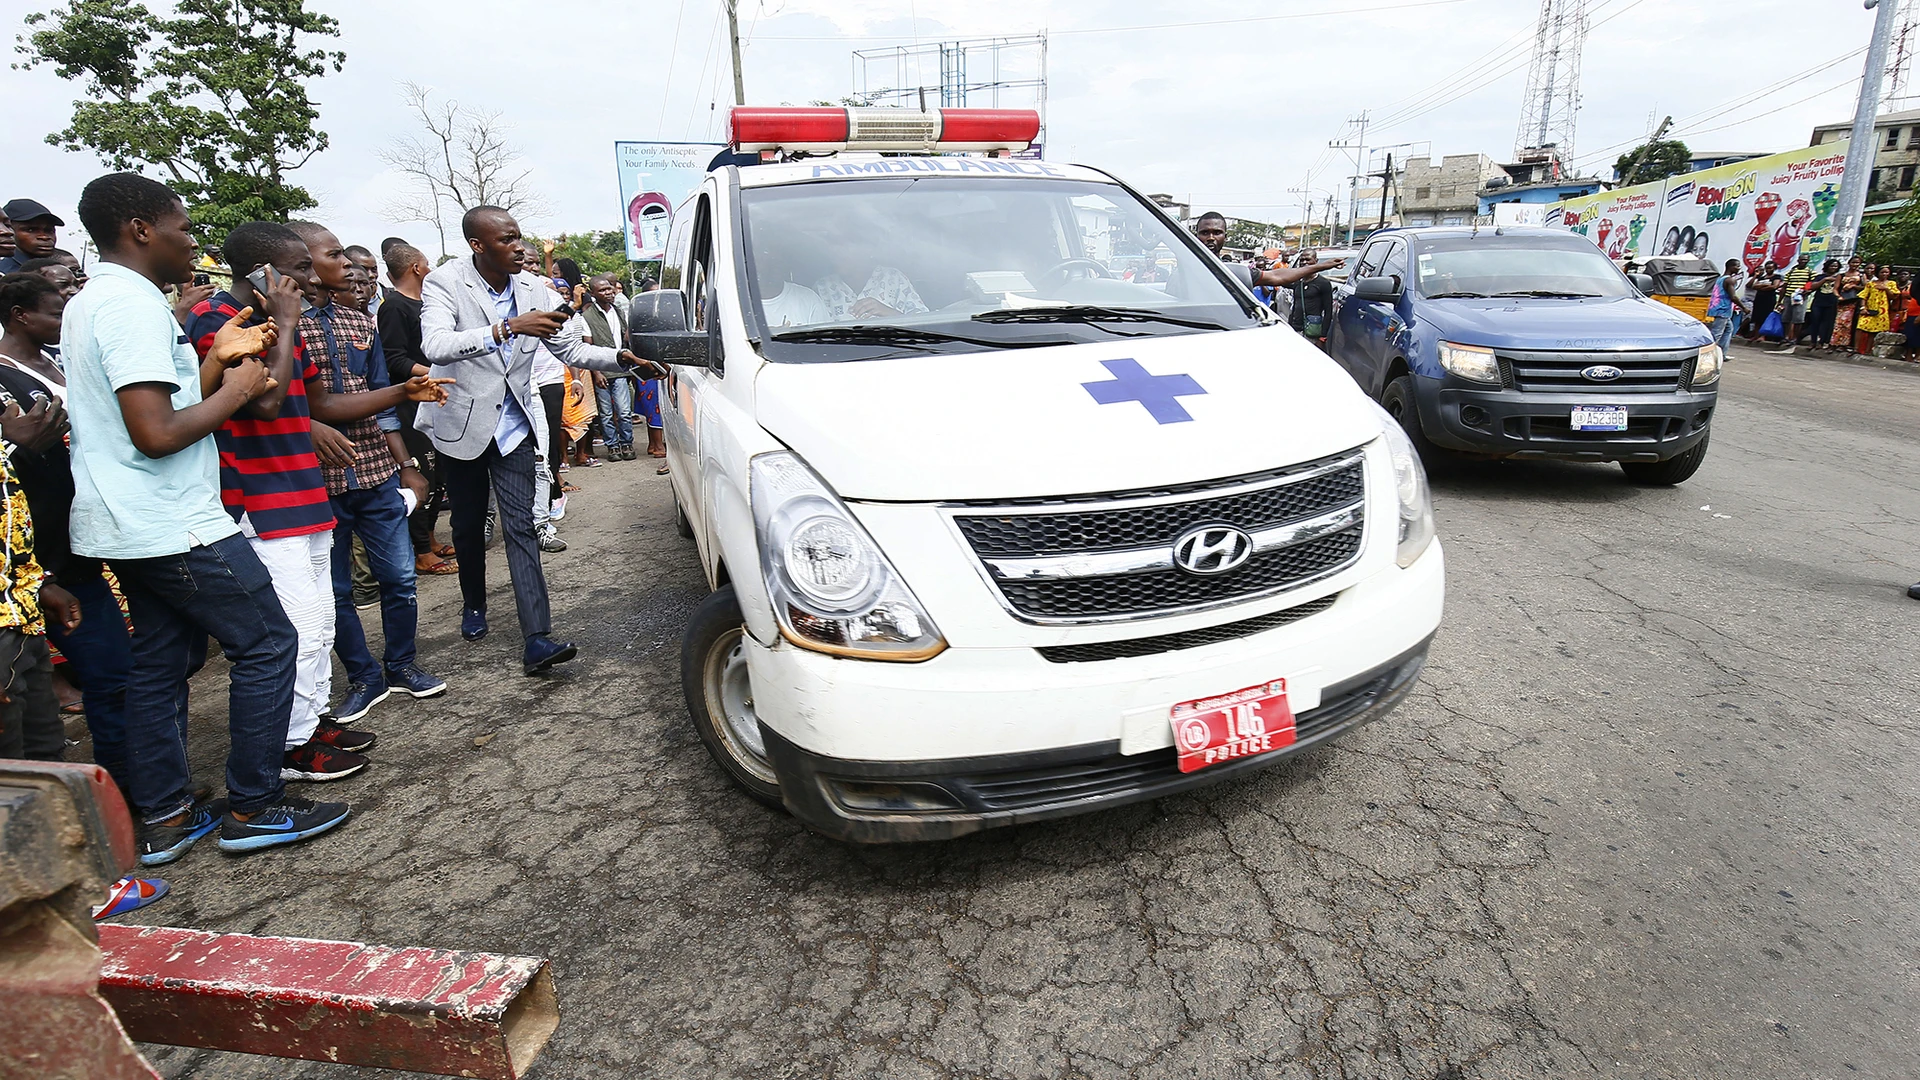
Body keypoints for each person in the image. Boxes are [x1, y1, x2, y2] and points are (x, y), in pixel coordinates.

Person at [62, 171, 350, 860]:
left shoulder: (96, 299)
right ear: (140, 230)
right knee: (269, 641)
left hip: (121, 517)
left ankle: (163, 814)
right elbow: (156, 432)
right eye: (182, 227)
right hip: (172, 518)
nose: (190, 241)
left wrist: (212, 364)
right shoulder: (130, 306)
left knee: (160, 661)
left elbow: (147, 406)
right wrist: (239, 387)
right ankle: (253, 805)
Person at [418, 205, 653, 673]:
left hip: (514, 427)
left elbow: (567, 346)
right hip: (461, 425)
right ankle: (474, 603)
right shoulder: (445, 282)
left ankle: (538, 639)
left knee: (522, 525)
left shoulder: (533, 288)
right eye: (506, 239)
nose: (519, 247)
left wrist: (622, 358)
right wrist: (505, 328)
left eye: (519, 237)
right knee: (466, 528)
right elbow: (435, 346)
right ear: (477, 245)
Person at [287, 221, 449, 722]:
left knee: (399, 579)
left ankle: (402, 665)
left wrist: (406, 465)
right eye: (333, 255)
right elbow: (278, 400)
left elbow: (381, 398)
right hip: (317, 480)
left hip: (376, 469)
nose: (347, 266)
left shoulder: (361, 324)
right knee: (335, 591)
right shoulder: (283, 327)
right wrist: (310, 424)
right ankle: (363, 677)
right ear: (302, 261)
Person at [378, 243, 457, 576]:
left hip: (434, 397)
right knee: (421, 475)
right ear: (415, 267)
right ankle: (422, 552)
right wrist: (434, 373)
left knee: (438, 476)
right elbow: (393, 358)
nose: (430, 268)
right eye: (426, 262)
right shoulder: (394, 307)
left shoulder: (425, 305)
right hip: (412, 404)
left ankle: (430, 538)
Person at [1194, 212, 1340, 288]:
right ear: (1196, 235)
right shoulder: (1184, 268)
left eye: (1217, 232)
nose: (1211, 237)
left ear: (1225, 237)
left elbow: (1278, 276)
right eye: (1205, 233)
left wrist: (1322, 266)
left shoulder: (1234, 272)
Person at [582, 274, 637, 461]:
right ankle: (612, 446)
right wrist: (596, 372)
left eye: (609, 288)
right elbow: (587, 347)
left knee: (623, 410)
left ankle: (626, 443)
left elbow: (625, 336)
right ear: (593, 293)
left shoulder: (618, 311)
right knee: (605, 413)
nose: (609, 292)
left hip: (620, 368)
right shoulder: (587, 317)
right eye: (603, 290)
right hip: (601, 370)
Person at [1287, 249, 1335, 348]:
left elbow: (1328, 312)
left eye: (1308, 259)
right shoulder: (1298, 282)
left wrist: (1322, 338)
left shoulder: (1323, 283)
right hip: (1296, 329)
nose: (1304, 262)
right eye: (1302, 260)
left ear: (1316, 261)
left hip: (1312, 333)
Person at [0, 199, 63, 272]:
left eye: (49, 230)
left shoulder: (61, 269)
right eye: (30, 230)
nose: (44, 237)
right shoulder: (7, 273)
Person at [1708, 259, 1747, 353]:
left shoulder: (1721, 278)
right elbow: (1733, 297)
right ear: (1731, 267)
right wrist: (1744, 308)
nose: (1739, 268)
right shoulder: (1729, 280)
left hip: (1718, 308)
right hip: (1723, 309)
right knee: (1716, 334)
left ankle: (1722, 354)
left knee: (1728, 329)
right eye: (1737, 266)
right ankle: (1707, 353)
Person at [1855, 265, 1894, 356]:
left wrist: (1886, 289)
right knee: (1860, 327)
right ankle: (1856, 348)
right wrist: (1863, 307)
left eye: (1886, 272)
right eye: (1882, 272)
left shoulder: (1891, 283)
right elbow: (1863, 296)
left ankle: (1868, 351)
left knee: (1874, 331)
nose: (1884, 274)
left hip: (1881, 310)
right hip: (1869, 309)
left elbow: (1893, 296)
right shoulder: (1871, 284)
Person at [1746, 261, 1779, 340]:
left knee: (1766, 317)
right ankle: (1756, 335)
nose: (1768, 270)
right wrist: (1766, 285)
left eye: (1770, 268)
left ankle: (1763, 336)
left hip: (1769, 299)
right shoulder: (1762, 277)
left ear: (1774, 268)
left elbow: (1774, 286)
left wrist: (1761, 287)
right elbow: (1754, 286)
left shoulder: (1776, 277)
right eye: (1767, 268)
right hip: (1759, 298)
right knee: (1757, 317)